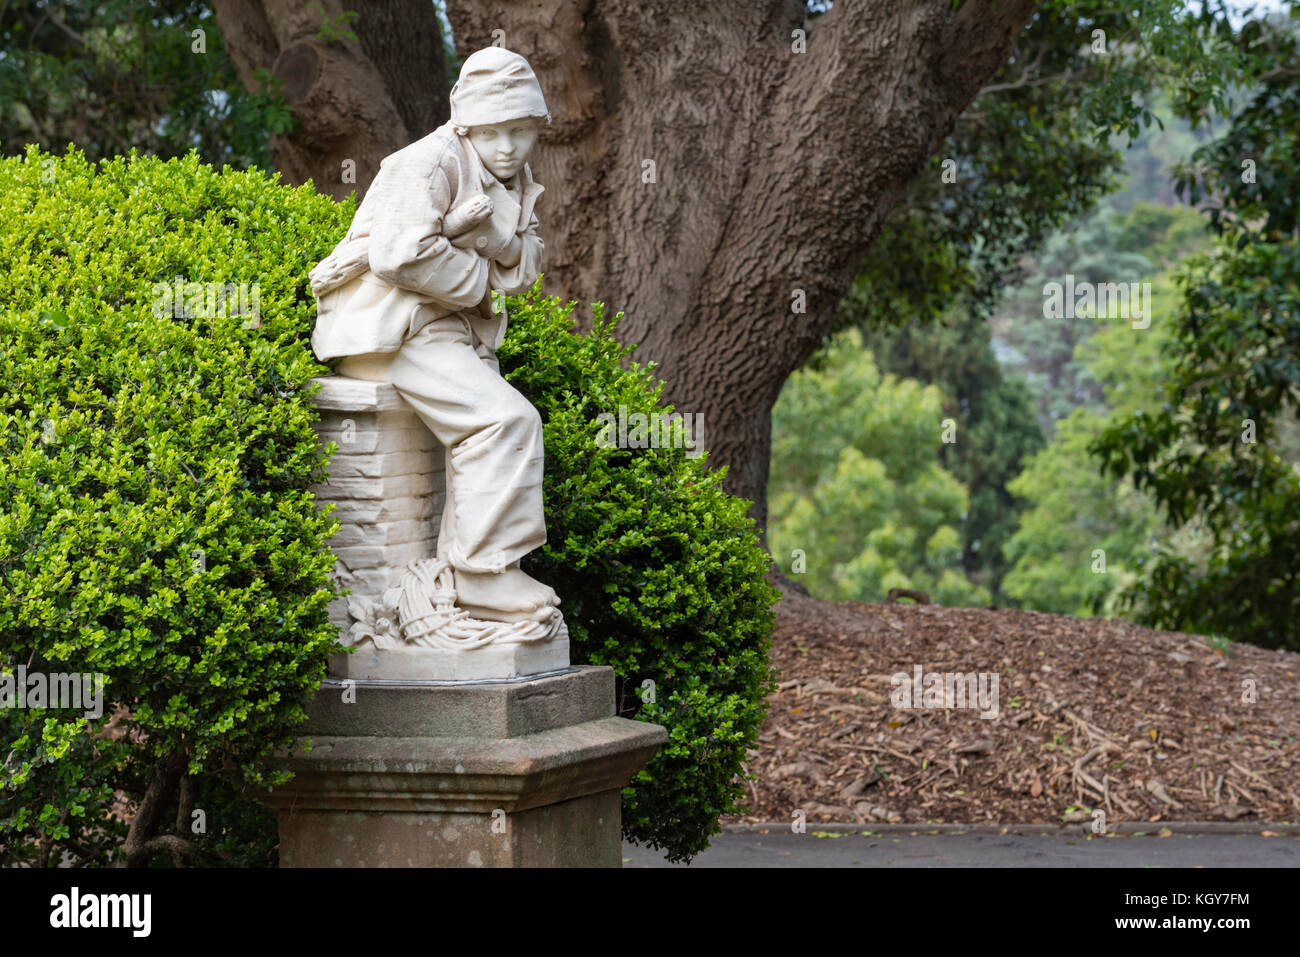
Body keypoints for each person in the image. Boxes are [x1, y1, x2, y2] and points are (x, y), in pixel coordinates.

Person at [309, 47, 558, 624]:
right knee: (505, 420)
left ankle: (477, 569)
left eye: (521, 132)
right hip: (392, 331)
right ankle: (480, 574)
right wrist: (479, 281)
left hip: (444, 329)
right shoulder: (425, 163)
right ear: (467, 124)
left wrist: (493, 239)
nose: (507, 148)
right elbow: (401, 258)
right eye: (494, 133)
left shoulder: (512, 178)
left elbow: (526, 268)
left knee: (495, 425)